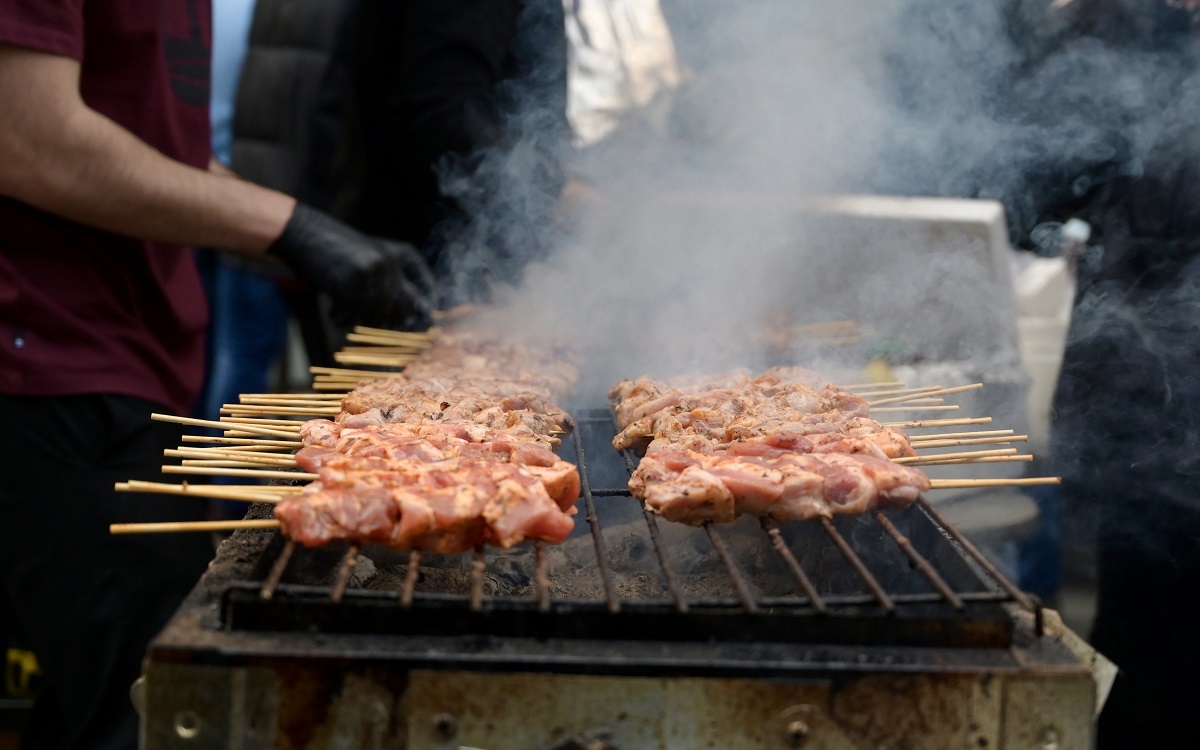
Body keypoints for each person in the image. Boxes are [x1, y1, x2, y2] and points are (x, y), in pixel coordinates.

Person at [0, 3, 434, 748]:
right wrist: (290, 228)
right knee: (151, 703)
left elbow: (151, 148)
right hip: (43, 358)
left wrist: (305, 241)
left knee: (99, 696)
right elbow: (28, 138)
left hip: (128, 348)